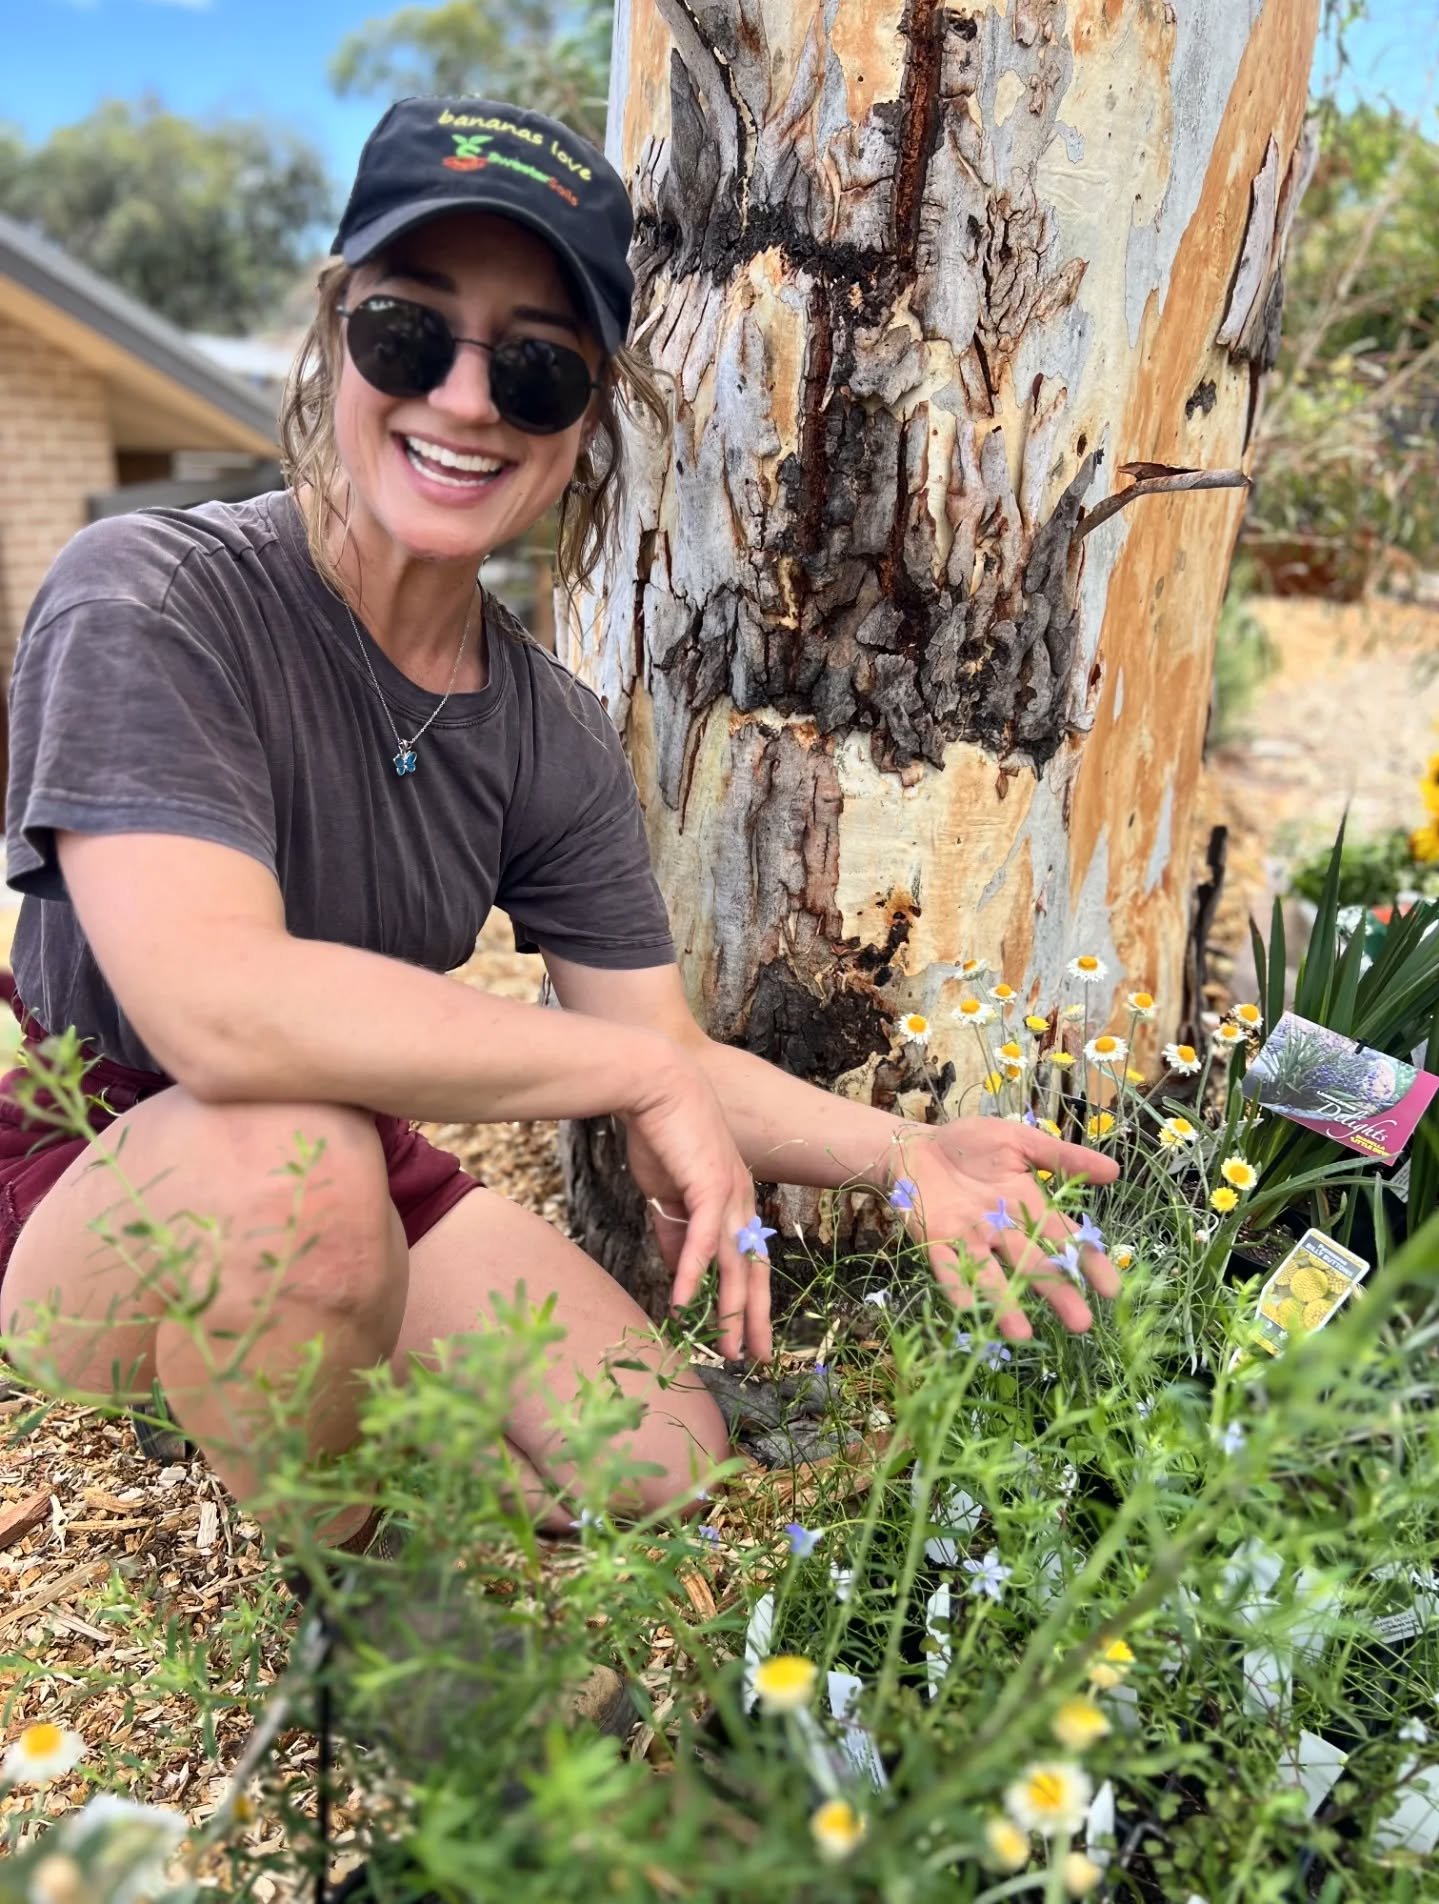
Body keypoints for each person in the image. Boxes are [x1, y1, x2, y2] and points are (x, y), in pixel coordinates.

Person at [0, 97, 1119, 1560]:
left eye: (534, 370)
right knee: (295, 1164)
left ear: (589, 420)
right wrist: (625, 1076)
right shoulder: (151, 594)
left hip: (351, 1173)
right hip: (93, 1173)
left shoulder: (545, 730)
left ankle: (352, 1368)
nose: (466, 402)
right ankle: (372, 1605)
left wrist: (904, 1161)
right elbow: (217, 1015)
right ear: (334, 330)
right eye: (411, 335)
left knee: (662, 1453)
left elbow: (664, 1048)